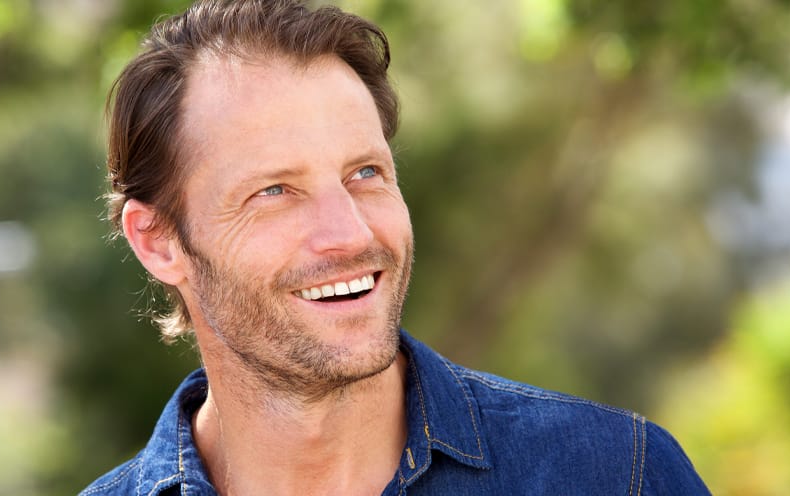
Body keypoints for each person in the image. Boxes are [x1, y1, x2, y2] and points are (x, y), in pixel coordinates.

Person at [81, 1, 710, 494]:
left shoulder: (616, 476)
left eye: (366, 174)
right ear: (159, 241)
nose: (352, 233)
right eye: (274, 191)